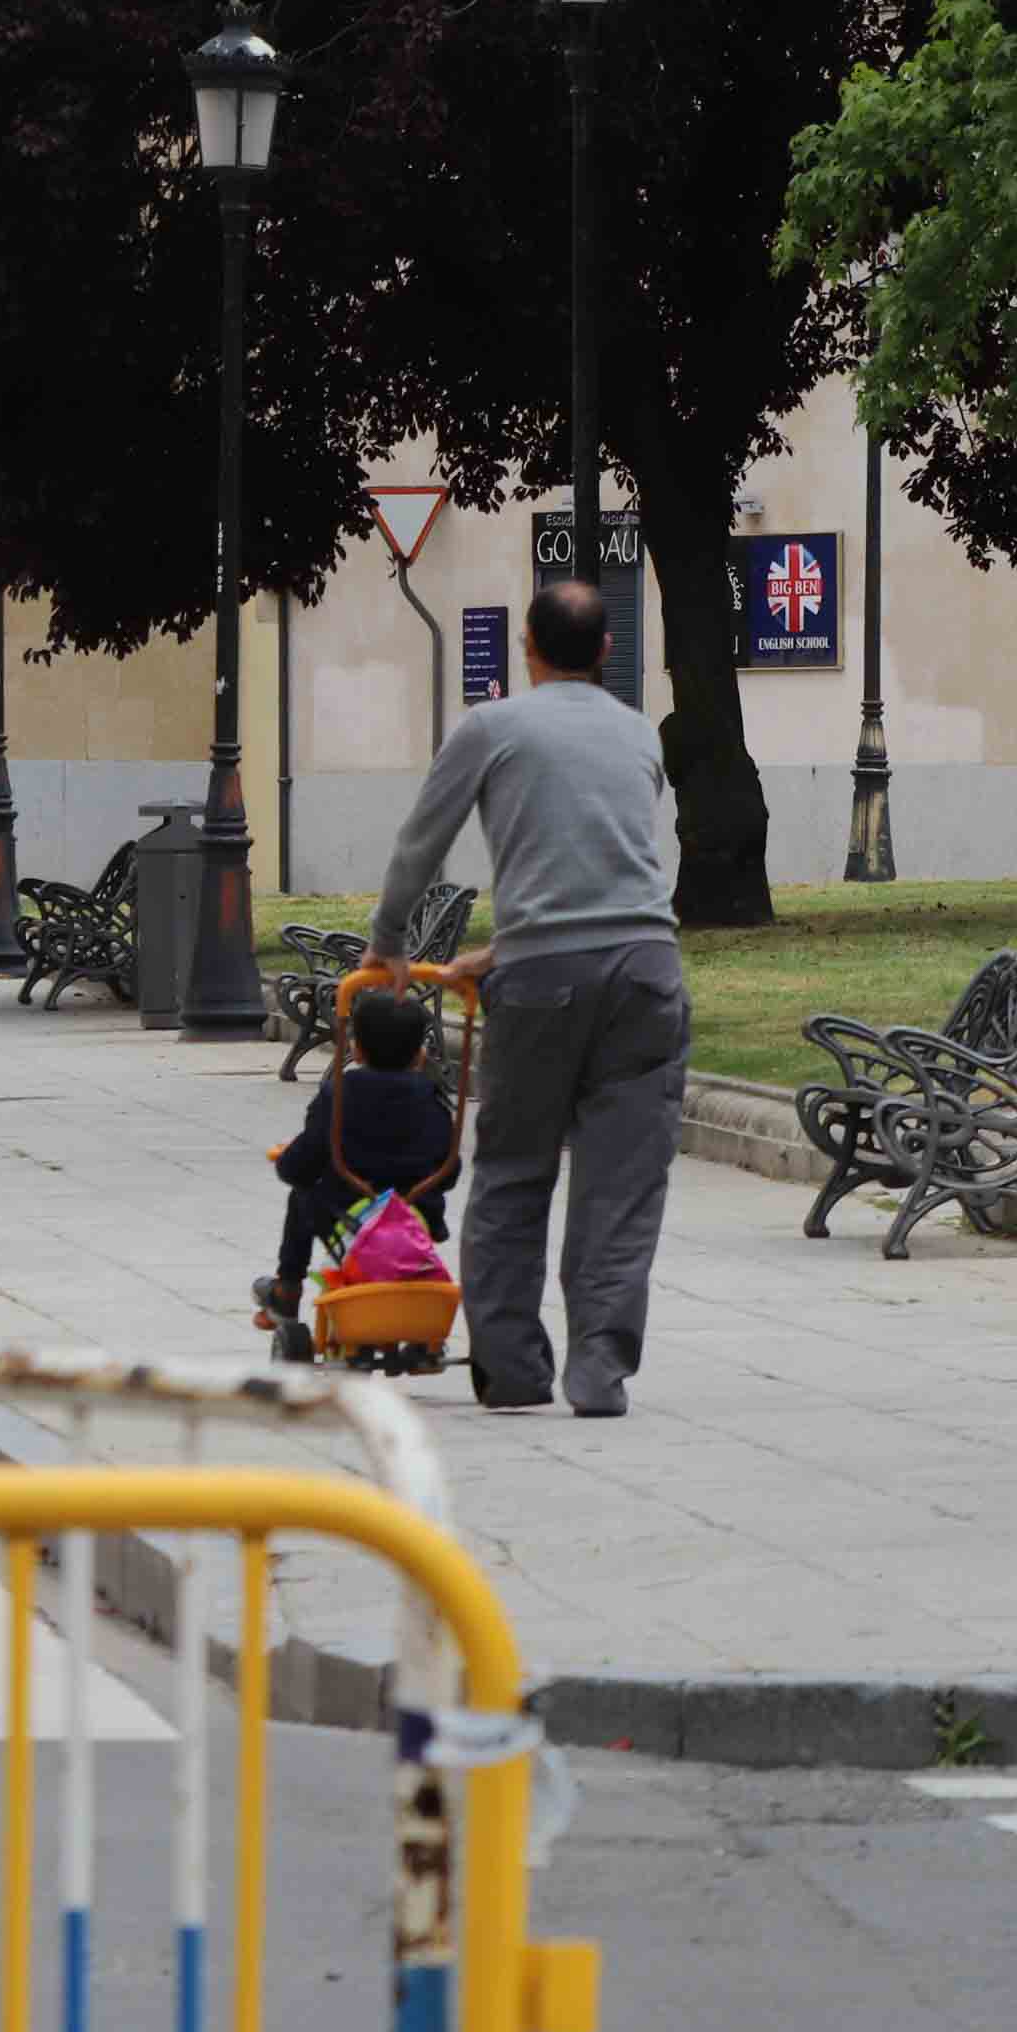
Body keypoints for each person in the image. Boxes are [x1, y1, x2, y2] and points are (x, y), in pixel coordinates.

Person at [366, 577, 684, 1418]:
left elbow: (418, 843)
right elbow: (604, 871)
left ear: (528, 650)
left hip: (542, 983)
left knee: (512, 1168)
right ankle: (600, 1370)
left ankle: (510, 1370)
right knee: (623, 1181)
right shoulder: (638, 736)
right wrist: (501, 952)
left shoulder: (492, 727)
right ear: (608, 653)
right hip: (647, 970)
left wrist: (388, 943)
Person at [252, 985, 459, 1328]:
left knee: (302, 1194)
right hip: (416, 1215)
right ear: (420, 1055)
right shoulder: (434, 1099)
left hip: (345, 1216)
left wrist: (289, 1158)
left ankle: (288, 1287)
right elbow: (449, 1172)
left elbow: (300, 1167)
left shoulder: (338, 1094)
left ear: (356, 1050)